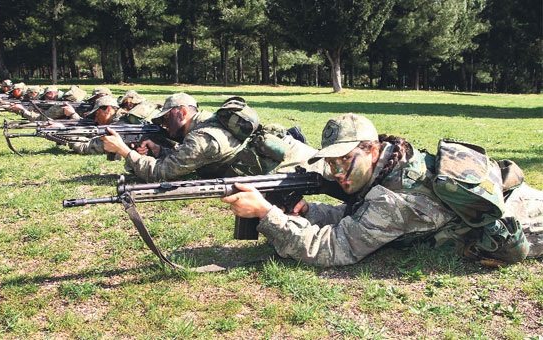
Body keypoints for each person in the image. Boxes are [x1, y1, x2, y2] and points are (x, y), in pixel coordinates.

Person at [221, 114, 543, 267]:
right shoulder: (392, 162)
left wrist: (267, 214)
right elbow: (356, 216)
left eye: (345, 160)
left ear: (372, 149)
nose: (336, 172)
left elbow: (333, 248)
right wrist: (310, 212)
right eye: (331, 163)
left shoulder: (389, 201)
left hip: (524, 217)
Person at [101, 92, 331, 182]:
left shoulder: (201, 139)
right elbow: (191, 159)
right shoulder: (209, 122)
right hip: (293, 154)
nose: (162, 124)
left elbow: (160, 174)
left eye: (165, 118)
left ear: (182, 112)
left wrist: (124, 150)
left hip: (303, 165)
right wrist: (161, 152)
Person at [67, 96, 133, 155]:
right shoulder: (119, 120)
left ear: (108, 109)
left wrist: (71, 136)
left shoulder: (118, 125)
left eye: (97, 114)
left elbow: (89, 148)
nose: (95, 119)